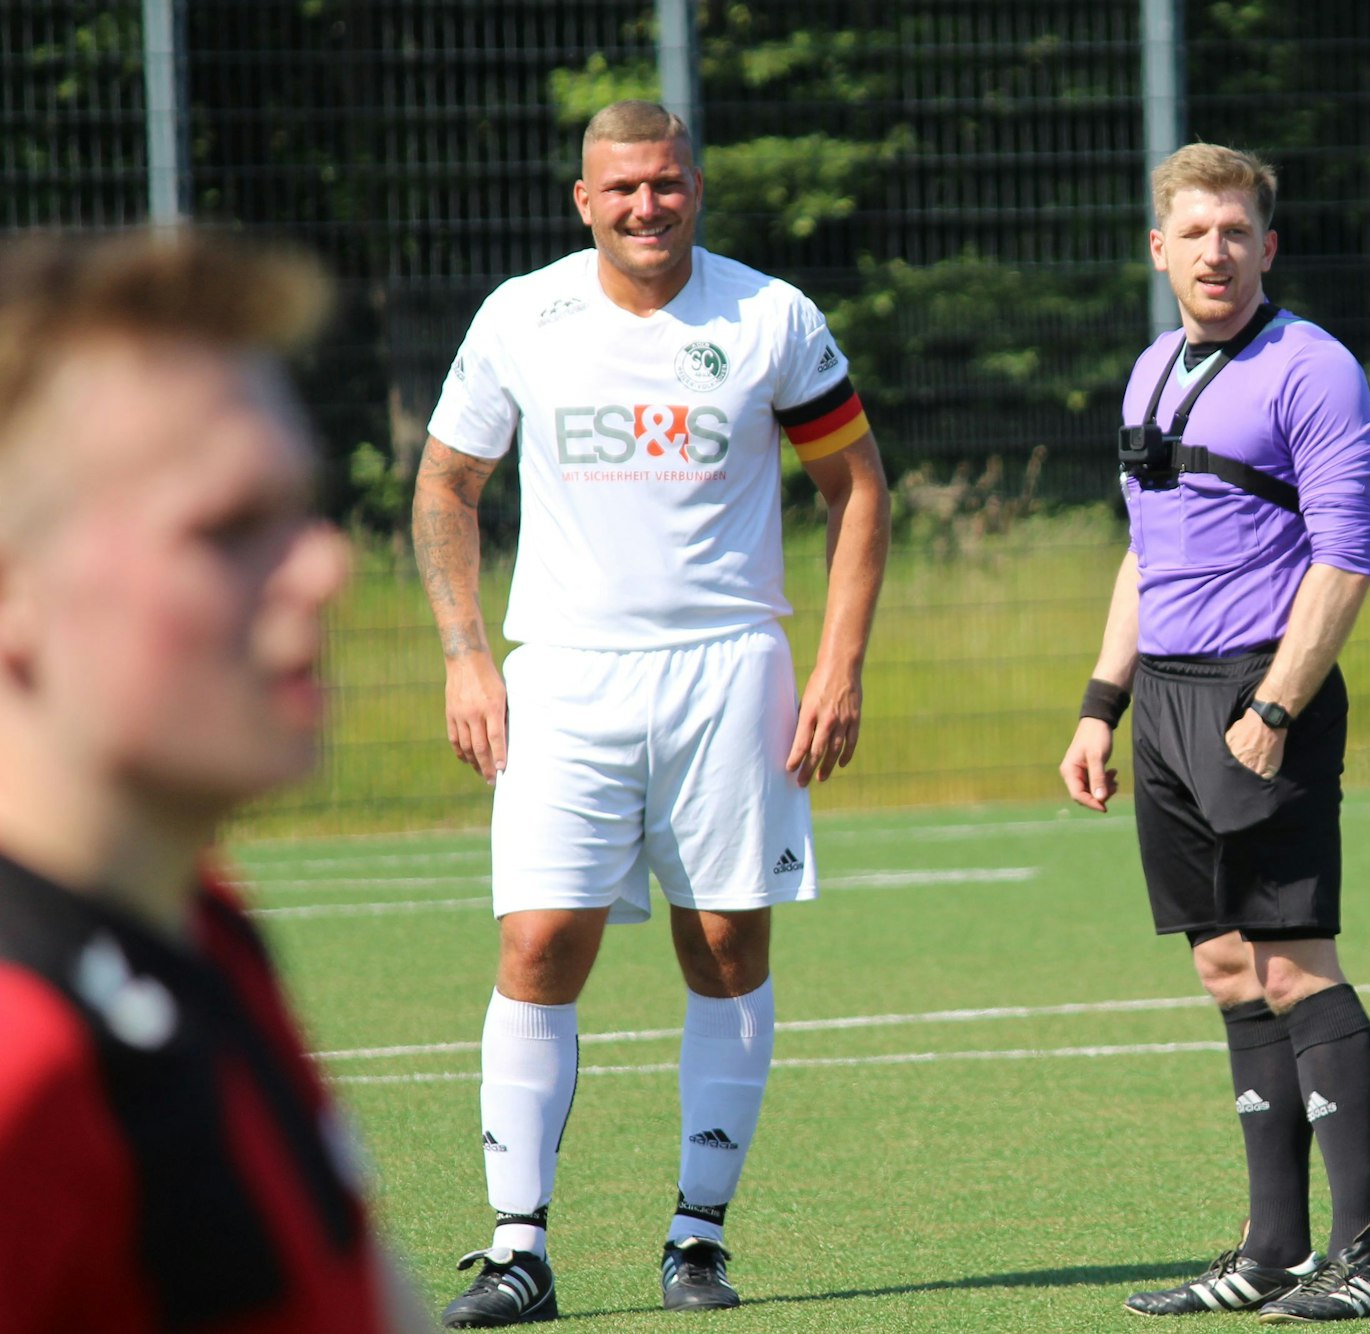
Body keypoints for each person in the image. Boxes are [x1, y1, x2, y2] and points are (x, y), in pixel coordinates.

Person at [413, 100, 890, 1325]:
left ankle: (697, 1237)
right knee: (537, 942)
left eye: (666, 184)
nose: (645, 206)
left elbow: (856, 487)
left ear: (694, 189)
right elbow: (447, 484)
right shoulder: (524, 315)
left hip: (729, 667)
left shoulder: (768, 315)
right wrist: (467, 655)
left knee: (725, 944)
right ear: (583, 200)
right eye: (621, 188)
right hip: (562, 673)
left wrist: (836, 667)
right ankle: (519, 1248)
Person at [0, 230, 433, 1333]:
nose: (326, 566)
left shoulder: (199, 918)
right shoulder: (22, 1066)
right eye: (230, 527)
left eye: (300, 508)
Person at [1060, 143, 1370, 1323]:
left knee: (1296, 961)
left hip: (1262, 692)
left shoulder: (1313, 370)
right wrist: (1102, 704)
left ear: (1268, 245)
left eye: (1235, 231)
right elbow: (1145, 554)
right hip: (1161, 699)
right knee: (1222, 968)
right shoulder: (1151, 370)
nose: (1215, 250)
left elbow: (1345, 558)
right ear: (1158, 248)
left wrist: (1274, 706)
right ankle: (1267, 1251)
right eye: (1193, 232)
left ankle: (1364, 1257)